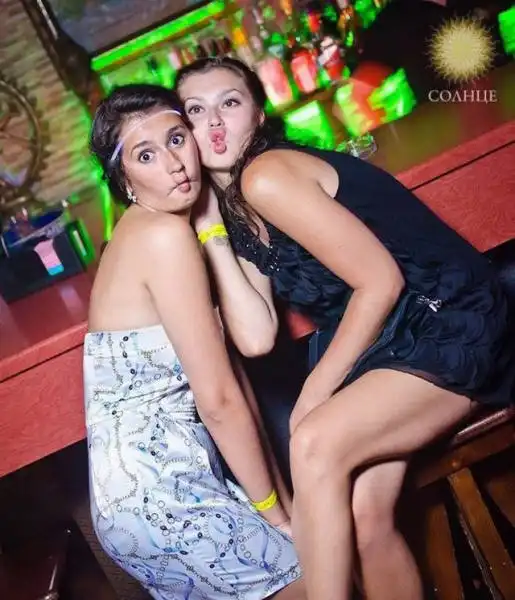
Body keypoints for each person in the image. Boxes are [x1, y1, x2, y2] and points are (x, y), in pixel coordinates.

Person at [175, 57, 514, 600]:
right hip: (387, 340)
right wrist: (207, 225)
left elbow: (381, 281)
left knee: (312, 444)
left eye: (229, 103)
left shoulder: (267, 175)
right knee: (361, 520)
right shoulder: (236, 209)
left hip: (445, 317)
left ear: (259, 115)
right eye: (195, 111)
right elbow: (257, 336)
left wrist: (313, 396)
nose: (213, 122)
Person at [84, 83, 305, 600]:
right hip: (161, 495)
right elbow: (219, 402)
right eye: (145, 155)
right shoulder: (162, 237)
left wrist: (280, 502)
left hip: (139, 496)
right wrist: (275, 515)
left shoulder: (154, 230)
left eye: (176, 139)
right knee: (320, 583)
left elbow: (235, 381)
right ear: (126, 181)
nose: (173, 163)